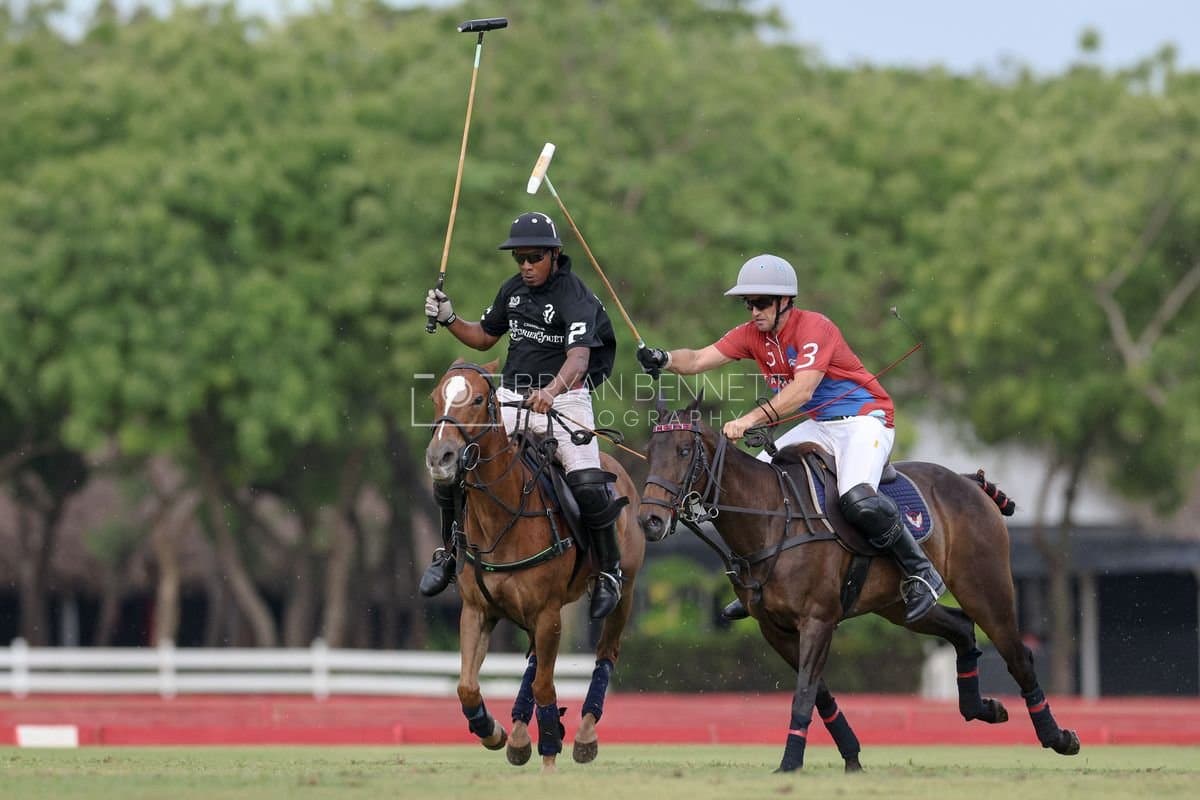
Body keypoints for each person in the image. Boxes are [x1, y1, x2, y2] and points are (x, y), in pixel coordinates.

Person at [636, 254, 944, 624]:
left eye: (762, 302)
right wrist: (664, 358)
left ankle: (921, 571)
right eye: (749, 303)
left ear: (785, 302)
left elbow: (801, 392)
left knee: (857, 497)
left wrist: (748, 420)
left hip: (865, 420)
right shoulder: (752, 335)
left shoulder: (815, 328)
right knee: (752, 484)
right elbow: (699, 359)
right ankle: (756, 581)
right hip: (822, 425)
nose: (754, 311)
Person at [422, 211, 625, 619]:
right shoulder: (512, 291)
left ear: (554, 254)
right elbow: (483, 337)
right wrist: (448, 318)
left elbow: (580, 358)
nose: (526, 266)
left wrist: (550, 392)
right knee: (455, 468)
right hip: (512, 399)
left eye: (534, 257)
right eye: (520, 259)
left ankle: (609, 572)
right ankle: (448, 552)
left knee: (587, 482)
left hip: (565, 400)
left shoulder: (575, 296)